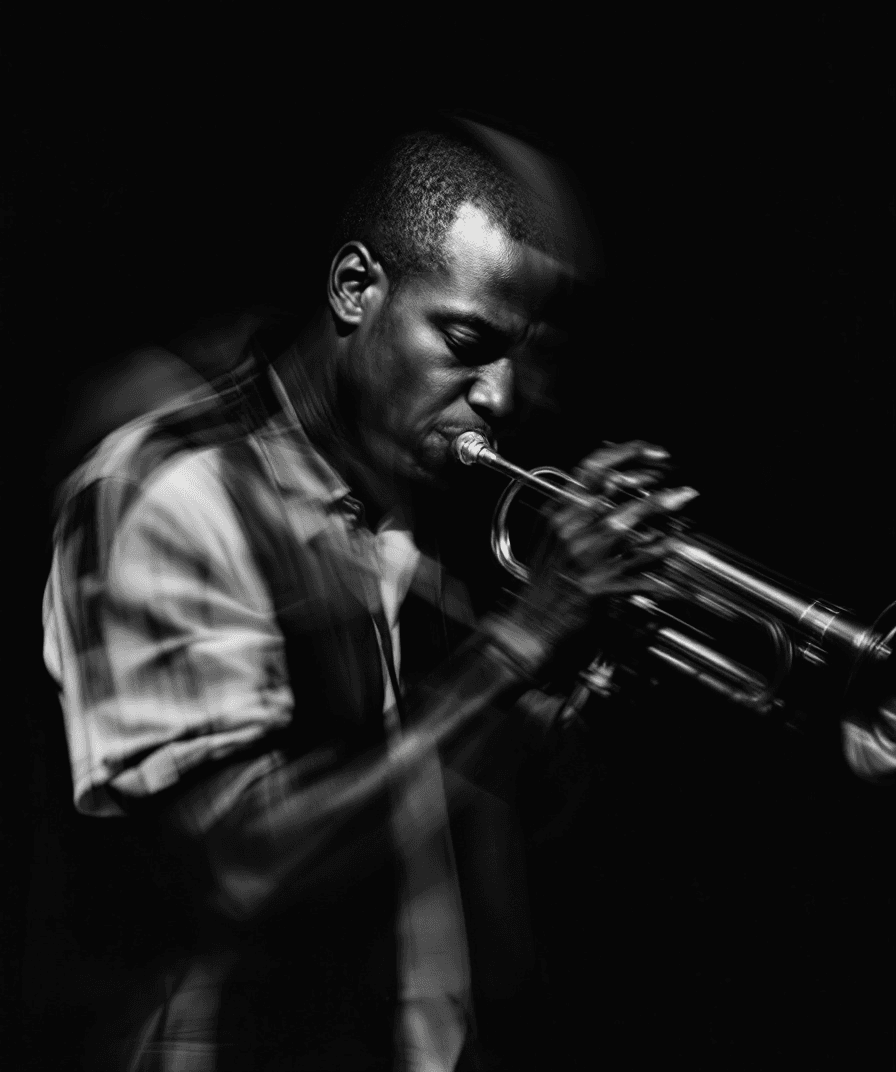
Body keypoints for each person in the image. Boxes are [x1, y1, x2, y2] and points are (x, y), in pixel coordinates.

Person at [42, 123, 696, 1071]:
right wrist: (525, 638)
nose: (501, 399)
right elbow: (242, 867)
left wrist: (569, 681)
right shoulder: (170, 494)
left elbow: (497, 810)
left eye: (523, 357)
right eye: (468, 342)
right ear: (356, 288)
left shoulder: (419, 500)